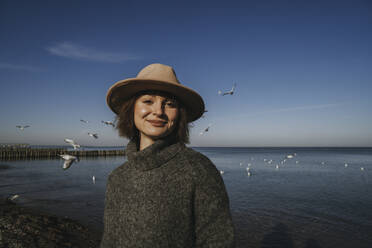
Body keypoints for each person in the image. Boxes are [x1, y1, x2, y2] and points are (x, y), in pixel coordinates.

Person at [101, 63, 235, 247]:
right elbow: (108, 241)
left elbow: (219, 241)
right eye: (148, 101)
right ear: (131, 109)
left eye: (169, 104)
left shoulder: (198, 169)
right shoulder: (117, 177)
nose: (158, 111)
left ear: (179, 115)